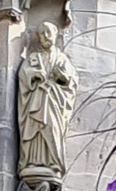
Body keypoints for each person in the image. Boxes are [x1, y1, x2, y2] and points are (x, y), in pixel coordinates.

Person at [17, 22, 78, 181]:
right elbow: (24, 75)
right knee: (36, 129)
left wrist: (62, 78)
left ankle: (53, 161)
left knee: (52, 128)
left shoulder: (61, 59)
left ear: (56, 34)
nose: (45, 36)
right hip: (36, 103)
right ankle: (32, 161)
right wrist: (33, 75)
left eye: (48, 32)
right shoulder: (34, 57)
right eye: (42, 33)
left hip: (53, 103)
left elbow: (71, 81)